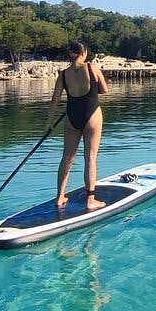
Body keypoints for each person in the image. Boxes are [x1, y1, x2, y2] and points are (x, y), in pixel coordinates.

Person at [47, 41, 109, 210]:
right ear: (84, 53)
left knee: (67, 158)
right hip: (92, 116)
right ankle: (90, 200)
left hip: (72, 117)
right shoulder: (92, 67)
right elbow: (104, 90)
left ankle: (60, 197)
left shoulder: (64, 74)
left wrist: (50, 122)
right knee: (90, 157)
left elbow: (55, 99)